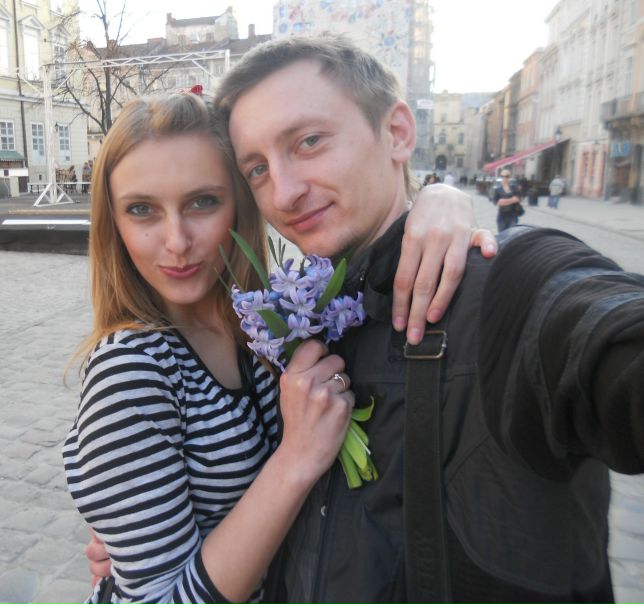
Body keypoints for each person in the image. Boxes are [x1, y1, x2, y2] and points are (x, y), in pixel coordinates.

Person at [210, 34, 643, 603]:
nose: (284, 192)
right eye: (258, 169)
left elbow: (604, 334)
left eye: (309, 141)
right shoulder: (306, 317)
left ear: (397, 133)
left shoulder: (507, 286)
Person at [70, 92, 496, 602]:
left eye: (203, 201)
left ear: (243, 202)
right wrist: (296, 458)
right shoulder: (131, 371)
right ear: (113, 224)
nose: (177, 241)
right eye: (142, 210)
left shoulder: (268, 324)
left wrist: (439, 201)